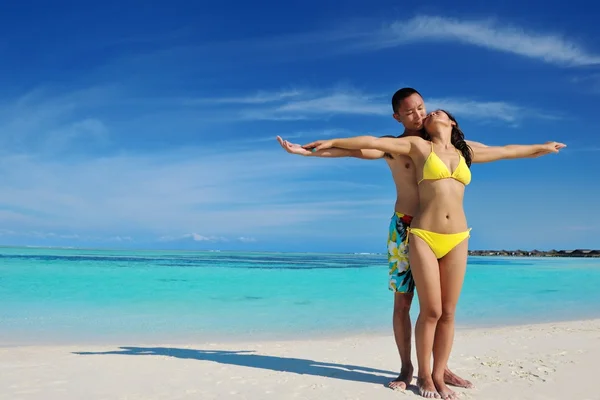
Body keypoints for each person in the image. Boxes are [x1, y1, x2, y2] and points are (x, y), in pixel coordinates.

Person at [301, 109, 565, 399]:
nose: (431, 113)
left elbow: (508, 151)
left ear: (452, 122)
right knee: (432, 311)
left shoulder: (467, 151)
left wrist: (542, 148)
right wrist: (327, 143)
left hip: (459, 238)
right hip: (423, 234)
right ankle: (422, 374)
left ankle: (440, 375)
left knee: (449, 312)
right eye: (427, 113)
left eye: (438, 111)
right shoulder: (418, 147)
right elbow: (371, 142)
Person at [277, 88, 487, 391]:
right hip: (404, 228)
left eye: (421, 107)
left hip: (440, 231)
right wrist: (306, 151)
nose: (418, 115)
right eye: (410, 111)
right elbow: (356, 149)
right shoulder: (396, 145)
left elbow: (492, 151)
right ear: (397, 116)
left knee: (439, 309)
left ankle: (441, 369)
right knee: (403, 303)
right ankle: (406, 369)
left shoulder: (445, 144)